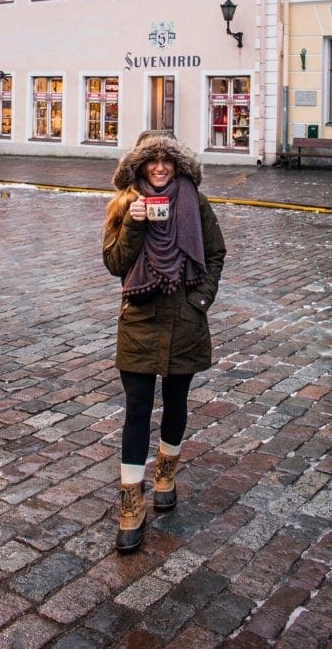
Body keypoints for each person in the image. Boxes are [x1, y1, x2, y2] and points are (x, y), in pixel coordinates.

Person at [103, 131, 226, 552]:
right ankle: (130, 503)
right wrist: (135, 224)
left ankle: (166, 475)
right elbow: (115, 264)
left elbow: (215, 254)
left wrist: (200, 300)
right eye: (151, 161)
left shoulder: (195, 202)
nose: (159, 167)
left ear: (178, 165)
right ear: (139, 166)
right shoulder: (124, 204)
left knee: (175, 403)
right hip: (139, 319)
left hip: (184, 319)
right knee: (137, 409)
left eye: (167, 161)